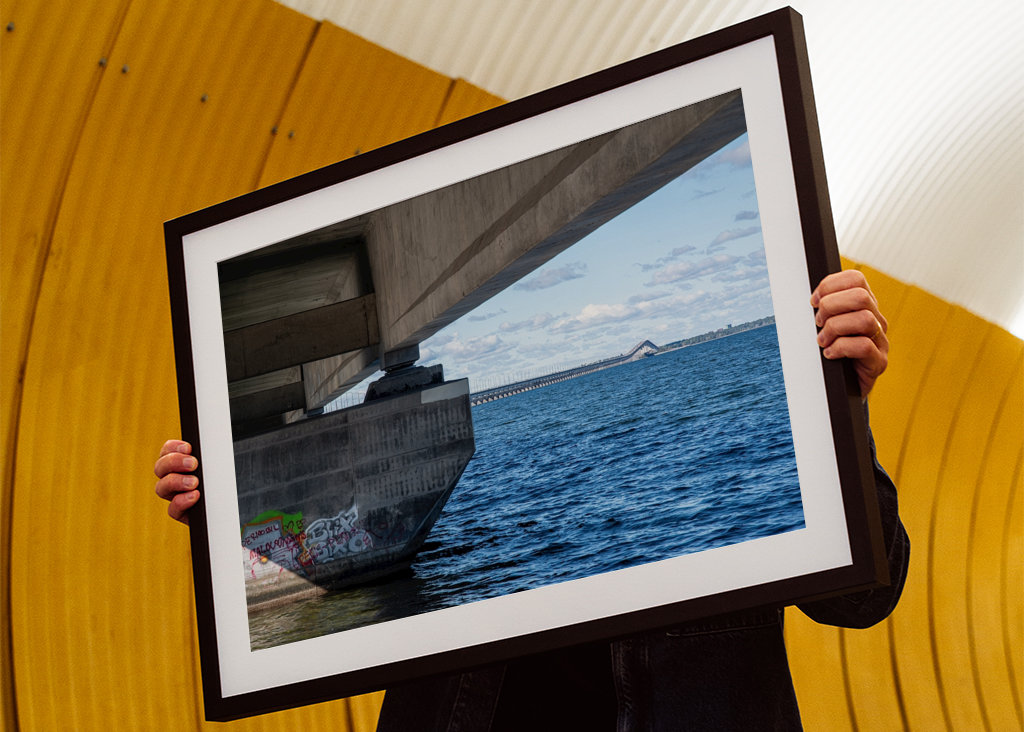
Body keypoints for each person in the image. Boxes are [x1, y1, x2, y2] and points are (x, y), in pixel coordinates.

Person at [155, 269, 908, 731]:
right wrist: (231, 513)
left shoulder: (796, 407)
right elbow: (321, 598)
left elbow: (863, 597)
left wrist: (840, 406)